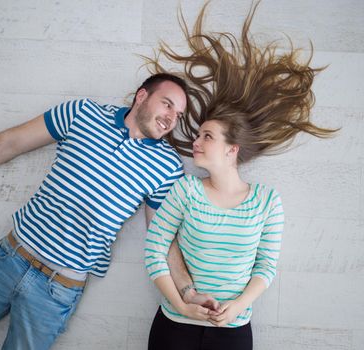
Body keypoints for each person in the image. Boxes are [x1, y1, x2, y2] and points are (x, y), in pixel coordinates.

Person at [0, 73, 213, 349]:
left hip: (57, 289)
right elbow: (12, 142)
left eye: (178, 115)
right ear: (141, 96)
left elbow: (161, 236)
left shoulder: (166, 166)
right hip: (8, 259)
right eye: (167, 104)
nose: (171, 119)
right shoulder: (82, 113)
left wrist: (188, 291)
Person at [144, 3, 337, 350]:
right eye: (198, 133)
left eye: (207, 136)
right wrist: (180, 302)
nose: (196, 141)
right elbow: (155, 249)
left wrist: (239, 305)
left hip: (233, 331)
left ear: (232, 150)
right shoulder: (186, 190)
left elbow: (266, 266)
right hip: (174, 327)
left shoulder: (267, 200)